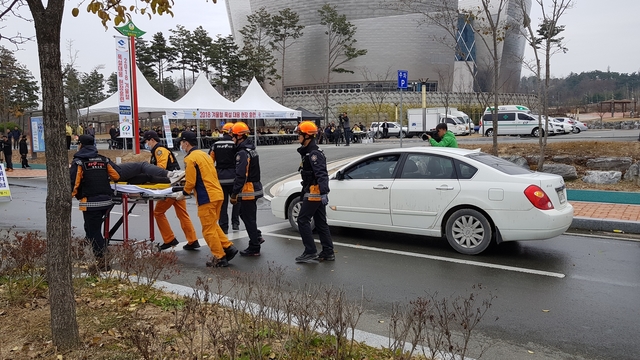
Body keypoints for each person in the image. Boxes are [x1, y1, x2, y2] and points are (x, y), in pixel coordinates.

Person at [174, 131, 238, 267]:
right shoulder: (204, 155)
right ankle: (228, 247)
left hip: (206, 197)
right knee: (213, 225)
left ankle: (219, 257)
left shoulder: (190, 159)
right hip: (217, 193)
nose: (181, 145)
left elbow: (190, 181)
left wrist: (184, 193)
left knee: (207, 229)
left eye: (181, 142)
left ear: (186, 143)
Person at [70, 134, 121, 271]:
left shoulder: (79, 162)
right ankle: (94, 251)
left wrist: (69, 196)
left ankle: (103, 260)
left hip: (90, 202)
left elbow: (74, 183)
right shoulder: (104, 160)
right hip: (106, 201)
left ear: (81, 145)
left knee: (94, 232)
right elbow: (116, 175)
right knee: (91, 228)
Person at [143, 130, 199, 251]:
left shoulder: (159, 151)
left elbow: (160, 169)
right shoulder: (159, 151)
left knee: (158, 212)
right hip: (177, 185)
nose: (146, 144)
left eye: (147, 141)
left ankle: (169, 239)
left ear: (152, 140)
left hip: (170, 186)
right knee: (182, 214)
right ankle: (192, 240)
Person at [294, 121, 334, 263]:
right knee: (320, 222)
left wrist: (323, 192)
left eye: (299, 134)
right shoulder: (309, 152)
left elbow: (322, 174)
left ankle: (310, 251)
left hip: (314, 192)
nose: (298, 137)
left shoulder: (313, 154)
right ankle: (328, 251)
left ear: (307, 136)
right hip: (313, 190)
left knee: (302, 220)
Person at [229, 122, 264, 257]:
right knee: (246, 215)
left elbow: (241, 175)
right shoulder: (251, 149)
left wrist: (234, 193)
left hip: (248, 189)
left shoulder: (243, 153)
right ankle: (257, 236)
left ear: (239, 137)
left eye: (233, 136)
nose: (232, 139)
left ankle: (254, 246)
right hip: (254, 187)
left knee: (248, 218)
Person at [209, 122, 240, 234]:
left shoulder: (216, 145)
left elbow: (210, 161)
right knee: (236, 200)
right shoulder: (235, 145)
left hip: (220, 178)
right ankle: (235, 223)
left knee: (222, 204)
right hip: (233, 177)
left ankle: (224, 227)